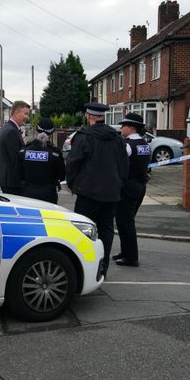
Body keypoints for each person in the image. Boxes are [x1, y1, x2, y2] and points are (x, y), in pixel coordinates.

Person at [65, 103, 128, 279]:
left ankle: (84, 271)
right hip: (111, 193)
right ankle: (102, 269)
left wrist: (73, 184)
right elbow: (125, 166)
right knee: (106, 232)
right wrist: (119, 184)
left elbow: (72, 163)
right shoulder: (117, 138)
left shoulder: (84, 136)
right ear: (103, 116)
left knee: (83, 232)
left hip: (88, 194)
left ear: (89, 115)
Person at [112, 113, 151, 267]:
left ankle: (131, 257)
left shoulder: (127, 145)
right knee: (126, 221)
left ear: (132, 128)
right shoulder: (144, 144)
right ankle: (125, 252)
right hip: (140, 186)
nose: (121, 128)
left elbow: (119, 166)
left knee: (125, 222)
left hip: (127, 187)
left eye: (124, 126)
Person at [18, 117, 65, 204]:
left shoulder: (24, 151)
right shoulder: (55, 154)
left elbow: (18, 173)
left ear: (36, 131)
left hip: (27, 194)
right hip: (48, 195)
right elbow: (62, 176)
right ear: (51, 134)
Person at [0, 100, 31, 195]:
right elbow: (16, 159)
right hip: (12, 181)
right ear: (16, 113)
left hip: (8, 179)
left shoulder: (8, 127)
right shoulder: (12, 131)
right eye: (26, 114)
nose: (27, 117)